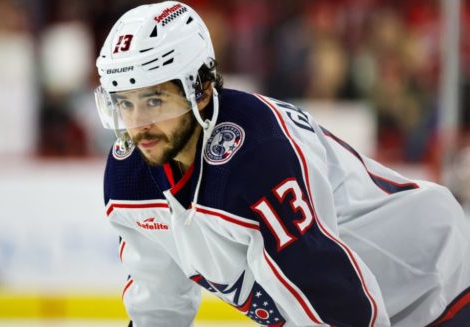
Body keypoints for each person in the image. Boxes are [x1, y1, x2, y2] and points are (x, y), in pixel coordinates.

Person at [93, 2, 470, 326]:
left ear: (202, 89)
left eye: (155, 100)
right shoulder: (131, 176)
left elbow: (335, 302)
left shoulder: (257, 157)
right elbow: (158, 304)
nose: (138, 123)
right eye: (124, 103)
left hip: (435, 280)